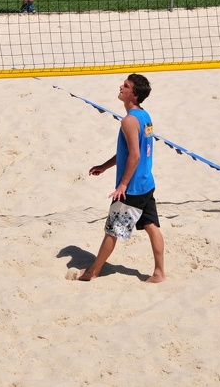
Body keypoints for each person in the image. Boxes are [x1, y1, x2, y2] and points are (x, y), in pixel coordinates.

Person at [77, 74, 165, 283]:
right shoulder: (145, 116)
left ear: (134, 95)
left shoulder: (128, 121)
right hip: (146, 183)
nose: (121, 87)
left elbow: (134, 155)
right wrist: (105, 167)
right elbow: (131, 153)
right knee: (152, 226)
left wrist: (123, 184)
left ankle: (93, 271)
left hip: (132, 189)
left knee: (112, 231)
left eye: (126, 86)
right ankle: (159, 273)